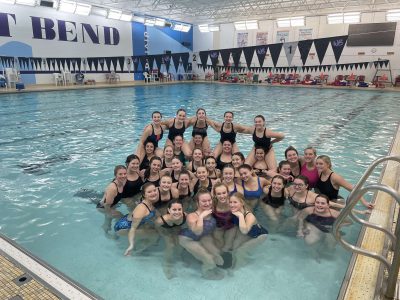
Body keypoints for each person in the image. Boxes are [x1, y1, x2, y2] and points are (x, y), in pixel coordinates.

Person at [179, 188, 224, 279]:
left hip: (203, 237)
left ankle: (198, 257)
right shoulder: (192, 216)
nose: (207, 203)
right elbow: (197, 231)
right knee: (210, 261)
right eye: (204, 201)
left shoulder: (212, 211)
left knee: (219, 260)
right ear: (197, 202)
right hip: (188, 239)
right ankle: (206, 274)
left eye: (209, 200)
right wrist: (201, 216)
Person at [118, 183, 160, 255]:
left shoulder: (150, 202)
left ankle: (140, 242)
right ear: (144, 195)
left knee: (154, 228)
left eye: (154, 190)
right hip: (123, 228)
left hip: (131, 221)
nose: (153, 193)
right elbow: (133, 228)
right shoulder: (142, 209)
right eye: (149, 192)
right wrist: (131, 244)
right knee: (155, 235)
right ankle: (137, 251)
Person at [229, 192, 268, 268]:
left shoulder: (249, 216)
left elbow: (244, 231)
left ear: (242, 203)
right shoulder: (233, 212)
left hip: (259, 235)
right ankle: (234, 264)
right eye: (230, 202)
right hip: (248, 234)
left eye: (235, 202)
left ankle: (238, 269)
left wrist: (240, 216)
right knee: (234, 247)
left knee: (241, 251)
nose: (232, 205)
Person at [155, 199, 187, 279]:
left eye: (179, 209)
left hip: (176, 227)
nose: (177, 212)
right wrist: (162, 234)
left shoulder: (185, 216)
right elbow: (156, 226)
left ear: (182, 209)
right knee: (170, 245)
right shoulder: (161, 220)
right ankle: (167, 264)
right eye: (174, 209)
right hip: (165, 228)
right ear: (169, 210)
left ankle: (178, 255)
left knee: (180, 243)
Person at [97, 165, 127, 235]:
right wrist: (109, 214)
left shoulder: (122, 181)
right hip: (104, 207)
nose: (123, 176)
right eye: (120, 174)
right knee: (119, 216)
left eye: (125, 174)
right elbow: (106, 205)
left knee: (113, 219)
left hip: (110, 205)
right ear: (115, 175)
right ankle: (107, 233)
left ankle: (111, 229)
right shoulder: (113, 188)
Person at [212, 183, 237, 265]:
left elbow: (245, 211)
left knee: (227, 245)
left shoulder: (233, 202)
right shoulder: (213, 204)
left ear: (228, 192)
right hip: (218, 227)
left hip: (231, 226)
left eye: (224, 193)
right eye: (219, 194)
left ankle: (229, 260)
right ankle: (220, 260)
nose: (222, 196)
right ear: (215, 195)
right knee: (219, 243)